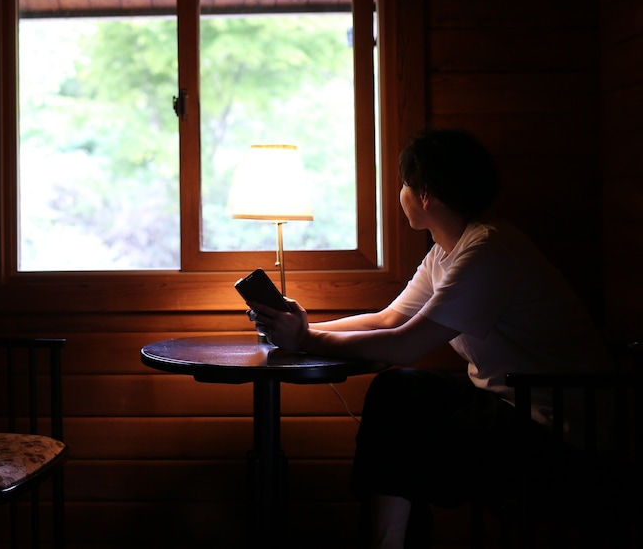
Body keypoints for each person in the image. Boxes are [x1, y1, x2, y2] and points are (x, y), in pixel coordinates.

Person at [243, 128, 613, 549]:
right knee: (400, 392)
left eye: (404, 183)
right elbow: (387, 320)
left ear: (425, 194)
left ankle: (387, 542)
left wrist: (304, 341)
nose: (400, 193)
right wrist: (302, 326)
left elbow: (405, 345)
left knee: (402, 410)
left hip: (558, 438)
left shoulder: (489, 251)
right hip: (509, 410)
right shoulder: (446, 251)